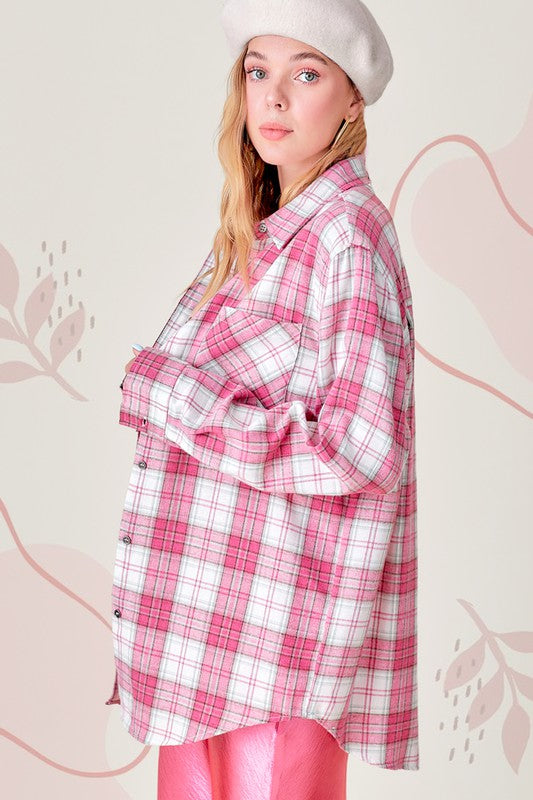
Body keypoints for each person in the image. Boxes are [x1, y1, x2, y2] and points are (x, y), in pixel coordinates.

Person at [106, 0, 419, 797]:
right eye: (258, 72)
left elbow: (360, 447)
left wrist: (178, 400)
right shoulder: (266, 235)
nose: (273, 99)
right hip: (210, 640)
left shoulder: (345, 233)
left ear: (351, 99)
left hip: (276, 646)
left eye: (305, 74)